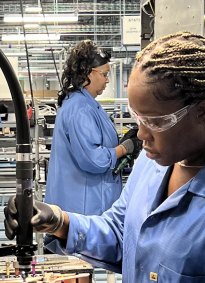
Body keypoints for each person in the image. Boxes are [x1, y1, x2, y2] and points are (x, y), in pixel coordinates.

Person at [5, 31, 205, 282]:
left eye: (154, 121)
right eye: (138, 119)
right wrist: (59, 221)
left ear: (203, 112)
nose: (140, 135)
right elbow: (120, 232)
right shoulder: (153, 164)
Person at [44, 39, 141, 215]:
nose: (107, 80)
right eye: (104, 75)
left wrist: (121, 144)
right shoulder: (80, 109)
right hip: (83, 209)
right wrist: (124, 148)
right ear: (89, 73)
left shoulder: (86, 104)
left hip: (88, 204)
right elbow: (93, 159)